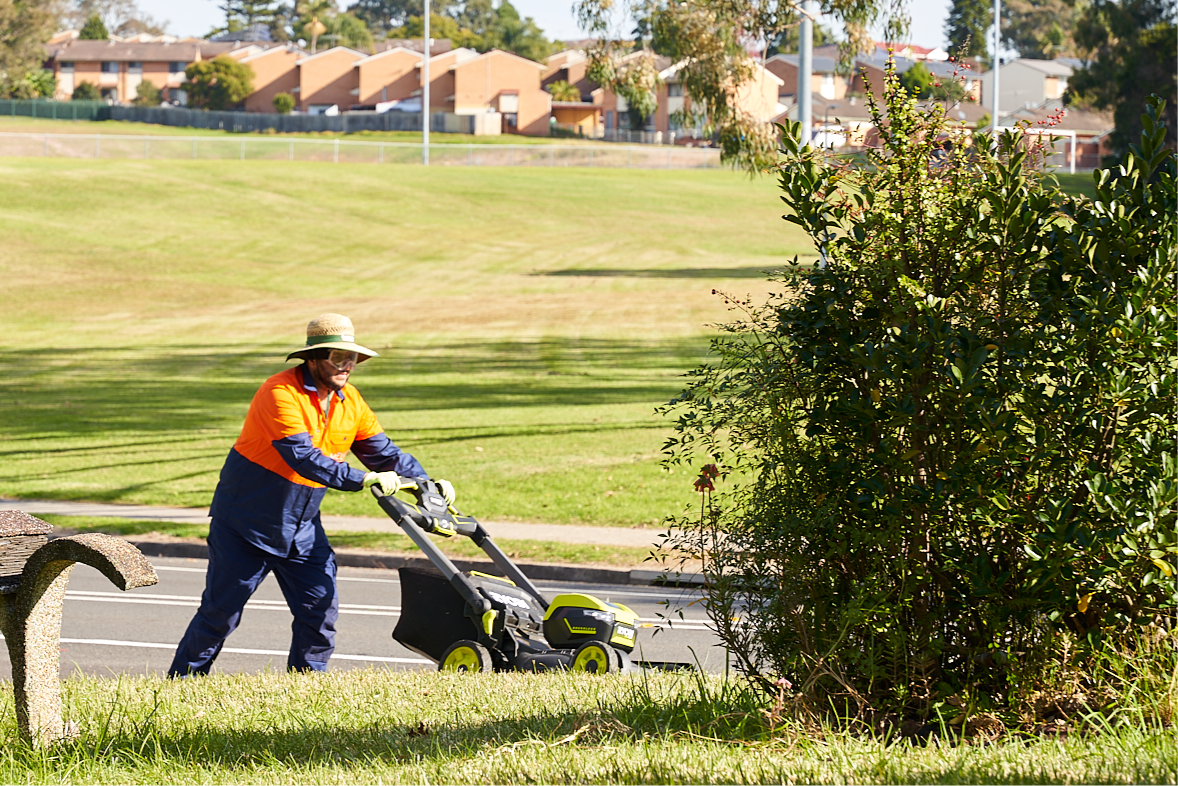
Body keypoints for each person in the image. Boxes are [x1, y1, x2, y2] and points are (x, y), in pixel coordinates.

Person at [169, 313, 451, 676]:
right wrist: (360, 480)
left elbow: (385, 454)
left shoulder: (350, 401)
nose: (347, 365)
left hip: (302, 526)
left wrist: (427, 484)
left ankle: (306, 684)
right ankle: (183, 682)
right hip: (245, 524)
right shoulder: (279, 392)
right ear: (314, 358)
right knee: (221, 613)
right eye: (338, 357)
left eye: (352, 359)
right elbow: (303, 458)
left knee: (320, 609)